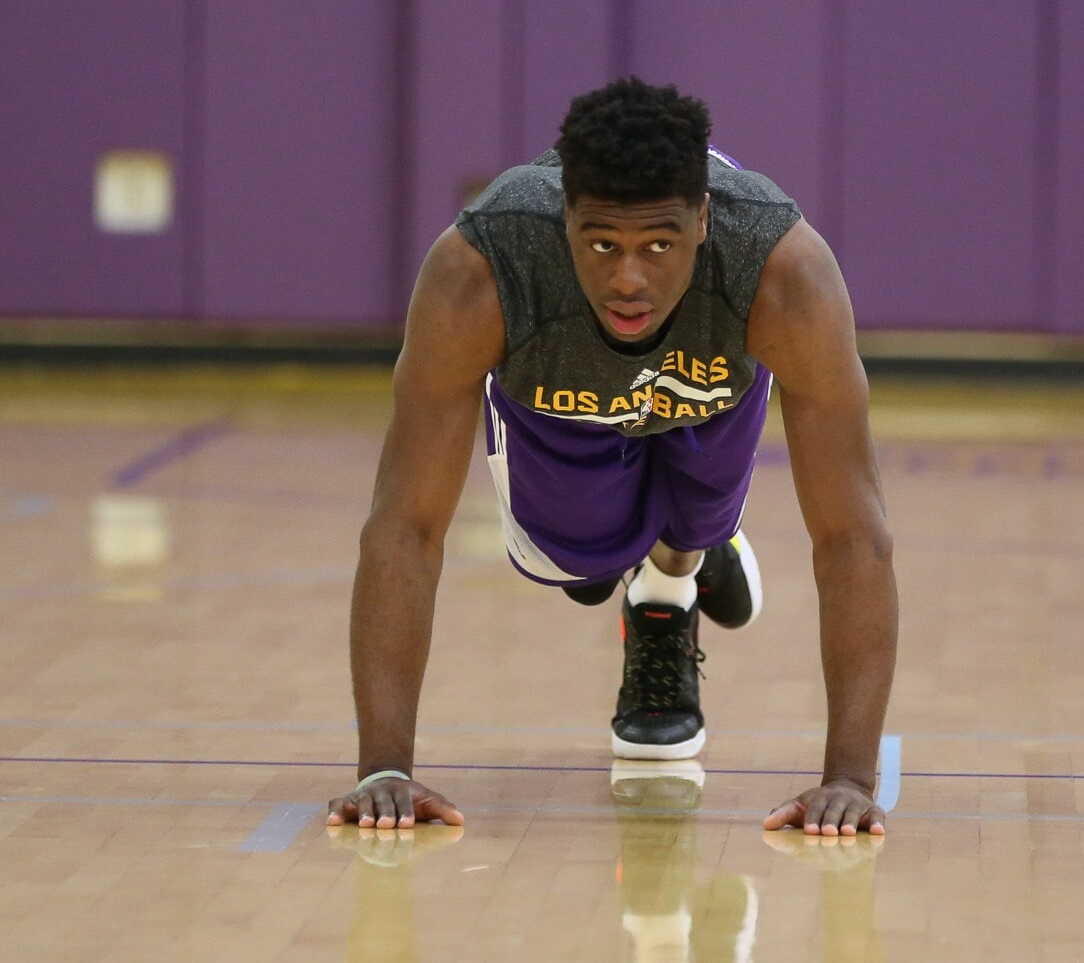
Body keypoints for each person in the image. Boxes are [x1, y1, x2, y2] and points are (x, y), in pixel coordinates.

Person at [326, 77, 898, 836]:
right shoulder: (482, 268)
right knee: (579, 563)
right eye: (602, 244)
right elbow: (404, 527)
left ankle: (672, 581)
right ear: (563, 222)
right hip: (558, 397)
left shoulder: (783, 274)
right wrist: (385, 769)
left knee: (692, 524)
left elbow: (853, 536)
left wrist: (851, 780)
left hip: (708, 390)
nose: (629, 278)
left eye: (659, 245)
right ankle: (642, 556)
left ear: (703, 220)